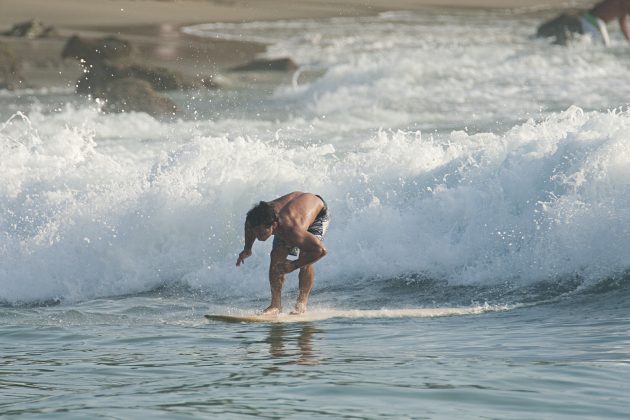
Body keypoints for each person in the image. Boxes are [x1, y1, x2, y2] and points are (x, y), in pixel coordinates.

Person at [236, 192, 330, 315]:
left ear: (274, 225)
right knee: (276, 255)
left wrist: (293, 265)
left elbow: (321, 251)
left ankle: (301, 303)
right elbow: (249, 226)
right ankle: (275, 305)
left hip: (317, 214)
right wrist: (247, 248)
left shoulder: (291, 229)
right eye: (256, 233)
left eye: (262, 233)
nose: (259, 237)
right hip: (292, 209)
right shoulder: (253, 220)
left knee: (305, 255)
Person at [536, 0, 630, 46]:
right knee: (605, 44)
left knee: (594, 42)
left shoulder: (623, 5)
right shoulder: (624, 3)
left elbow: (622, 24)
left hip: (590, 18)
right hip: (594, 19)